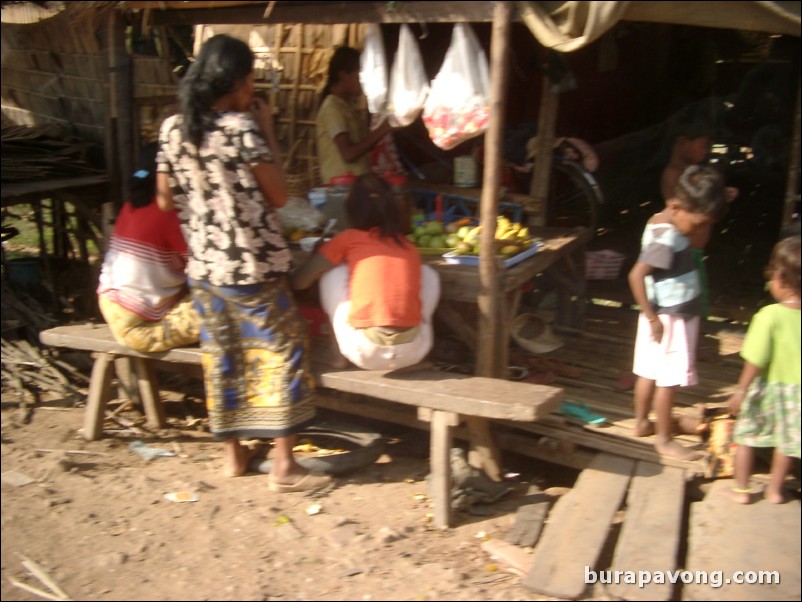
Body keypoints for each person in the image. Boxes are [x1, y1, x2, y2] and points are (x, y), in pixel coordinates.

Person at [155, 34, 330, 492]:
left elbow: (162, 200)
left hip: (205, 270)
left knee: (224, 357)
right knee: (285, 350)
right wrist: (267, 130)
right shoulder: (239, 128)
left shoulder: (173, 128)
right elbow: (278, 196)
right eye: (251, 78)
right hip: (252, 268)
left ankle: (233, 456)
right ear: (236, 80)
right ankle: (285, 467)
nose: (254, 87)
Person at [290, 173, 440, 371]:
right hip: (414, 351)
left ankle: (337, 356)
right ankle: (410, 354)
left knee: (332, 274)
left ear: (352, 209)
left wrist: (317, 256)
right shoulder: (408, 245)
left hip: (364, 351)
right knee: (428, 274)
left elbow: (300, 282)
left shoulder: (348, 238)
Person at [628, 165, 728, 459]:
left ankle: (642, 422)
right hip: (671, 317)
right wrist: (653, 317)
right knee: (668, 381)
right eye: (698, 224)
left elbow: (693, 239)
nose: (700, 231)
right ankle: (664, 438)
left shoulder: (659, 221)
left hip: (658, 315)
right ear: (676, 206)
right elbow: (636, 275)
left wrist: (650, 317)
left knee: (647, 373)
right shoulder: (668, 237)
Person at [97, 142, 200, 353]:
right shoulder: (172, 215)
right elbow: (204, 267)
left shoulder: (132, 205)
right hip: (138, 327)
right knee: (226, 313)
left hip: (111, 304)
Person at [726, 235, 800, 504]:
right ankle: (775, 490)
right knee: (786, 442)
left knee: (746, 436)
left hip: (769, 390)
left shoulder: (769, 316)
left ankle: (742, 490)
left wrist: (740, 390)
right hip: (798, 396)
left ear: (779, 278)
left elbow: (755, 360)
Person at [315, 46, 395, 184]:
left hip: (354, 187)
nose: (363, 82)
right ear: (343, 76)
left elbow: (364, 146)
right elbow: (349, 154)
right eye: (360, 76)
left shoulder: (348, 107)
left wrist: (388, 126)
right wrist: (385, 127)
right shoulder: (332, 107)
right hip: (340, 191)